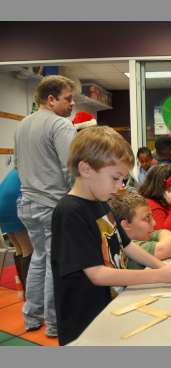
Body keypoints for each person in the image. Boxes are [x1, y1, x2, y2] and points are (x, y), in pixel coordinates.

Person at [51, 126, 171, 345]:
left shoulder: (102, 203)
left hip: (109, 309)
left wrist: (162, 267)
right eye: (115, 178)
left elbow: (127, 245)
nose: (119, 188)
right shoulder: (69, 212)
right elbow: (98, 274)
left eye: (123, 181)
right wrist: (158, 276)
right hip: (83, 322)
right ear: (86, 169)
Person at [14, 75, 77, 337]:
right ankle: (53, 323)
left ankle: (31, 316)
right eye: (68, 98)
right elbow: (71, 168)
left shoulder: (22, 125)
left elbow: (17, 165)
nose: (72, 104)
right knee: (54, 262)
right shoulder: (60, 125)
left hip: (27, 202)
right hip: (51, 204)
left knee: (39, 258)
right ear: (51, 100)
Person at [0, 168, 33, 296]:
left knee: (19, 249)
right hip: (12, 205)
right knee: (27, 249)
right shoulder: (30, 168)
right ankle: (31, 294)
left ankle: (24, 290)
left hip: (3, 205)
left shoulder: (15, 170)